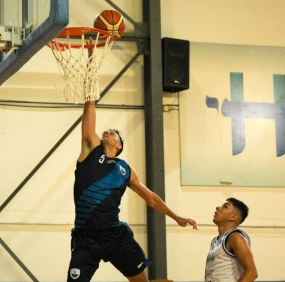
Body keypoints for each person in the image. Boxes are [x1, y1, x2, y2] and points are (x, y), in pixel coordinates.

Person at [67, 99, 198, 282]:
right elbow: (89, 116)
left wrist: (176, 217)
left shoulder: (125, 169)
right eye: (106, 131)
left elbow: (151, 198)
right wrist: (90, 97)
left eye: (113, 133)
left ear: (119, 145)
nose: (107, 132)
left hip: (115, 236)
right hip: (85, 238)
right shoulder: (90, 151)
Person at [205, 198, 258, 282]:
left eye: (225, 206)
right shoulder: (215, 241)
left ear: (233, 217)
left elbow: (252, 272)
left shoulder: (235, 237)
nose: (218, 207)